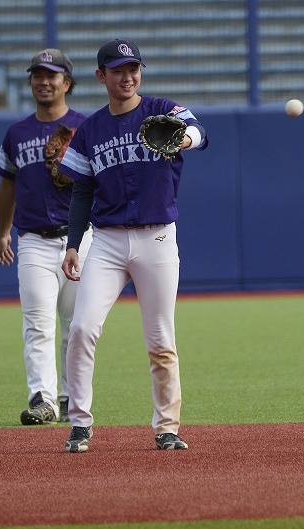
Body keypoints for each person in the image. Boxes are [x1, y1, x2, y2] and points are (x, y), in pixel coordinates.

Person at [58, 38, 208, 452]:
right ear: (101, 76)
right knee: (82, 328)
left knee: (160, 340)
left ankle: (167, 428)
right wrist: (73, 244)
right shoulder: (90, 130)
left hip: (156, 237)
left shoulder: (162, 109)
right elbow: (82, 191)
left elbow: (201, 132)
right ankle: (79, 423)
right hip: (106, 241)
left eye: (133, 69)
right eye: (118, 70)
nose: (127, 77)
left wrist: (184, 140)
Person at [0, 48, 92, 426]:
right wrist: (3, 232)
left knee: (76, 325)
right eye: (38, 75)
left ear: (67, 82)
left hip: (81, 238)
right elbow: (7, 186)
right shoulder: (17, 133)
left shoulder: (86, 127)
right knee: (37, 323)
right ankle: (42, 399)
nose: (44, 81)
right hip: (33, 239)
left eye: (52, 75)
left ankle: (70, 398)